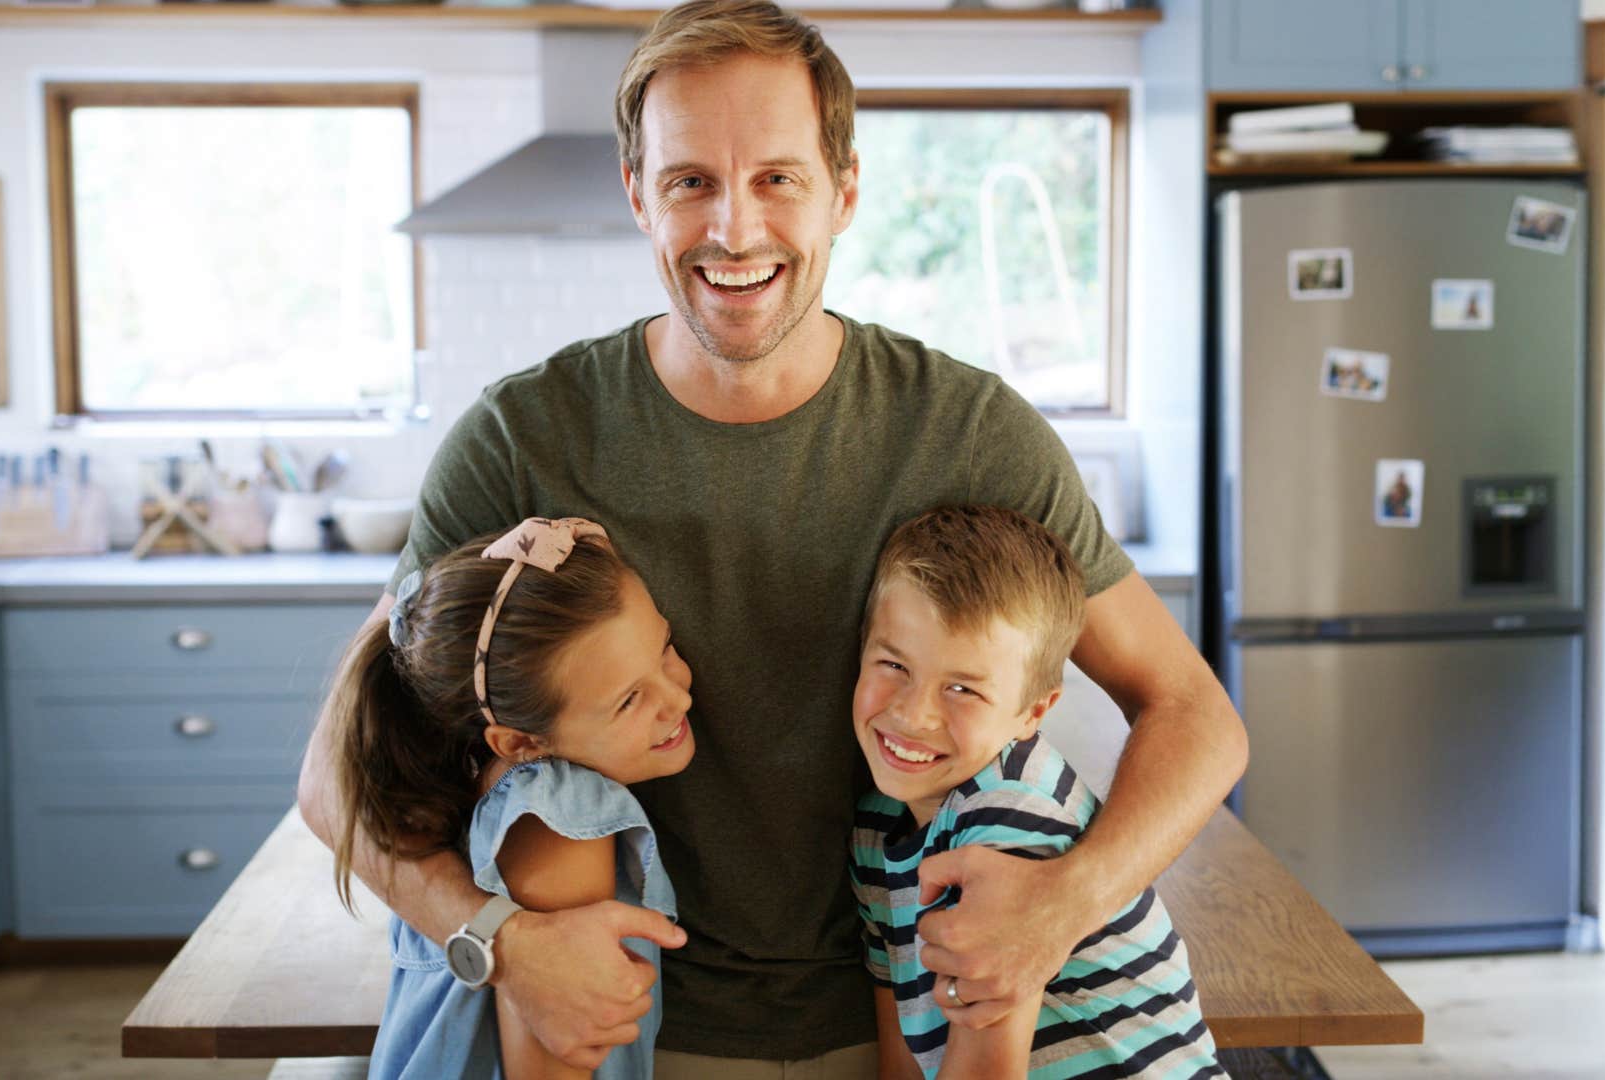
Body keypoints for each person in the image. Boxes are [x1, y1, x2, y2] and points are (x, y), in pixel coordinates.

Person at [298, 1, 1248, 1075]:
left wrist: (1065, 901)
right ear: (638, 197)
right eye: (689, 180)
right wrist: (495, 941)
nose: (733, 230)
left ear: (844, 190)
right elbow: (338, 772)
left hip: (907, 1029)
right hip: (634, 1034)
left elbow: (1194, 715)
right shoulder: (522, 438)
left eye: (777, 179)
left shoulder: (973, 431)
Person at [849, 506, 1224, 1079]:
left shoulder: (1009, 812)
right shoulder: (876, 829)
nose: (912, 713)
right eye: (894, 663)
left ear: (1033, 711)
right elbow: (902, 1058)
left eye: (961, 688)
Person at [322, 517, 695, 1079]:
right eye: (628, 701)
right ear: (521, 742)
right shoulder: (561, 817)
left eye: (664, 649)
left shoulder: (462, 781)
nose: (676, 697)